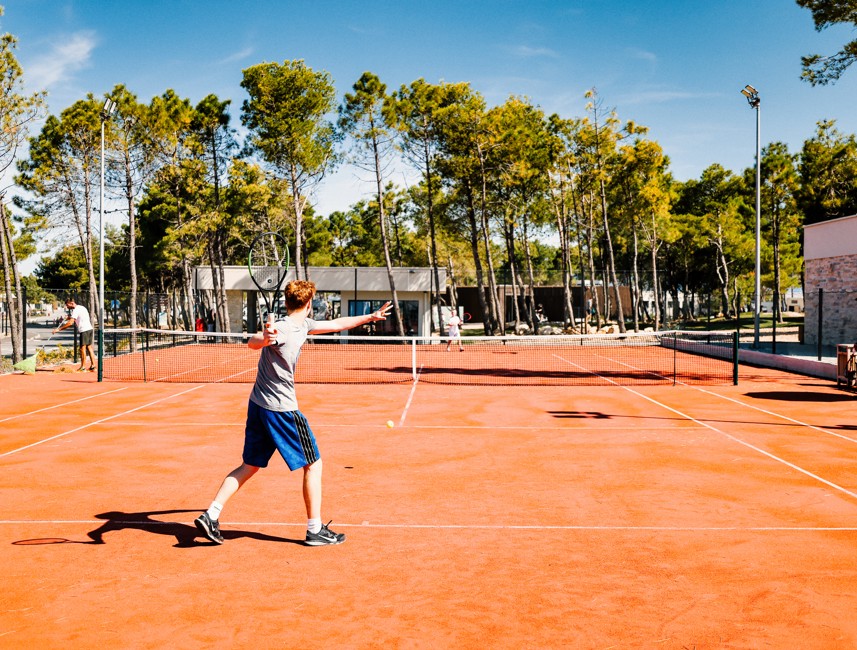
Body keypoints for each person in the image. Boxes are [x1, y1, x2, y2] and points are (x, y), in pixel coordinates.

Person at [194, 280, 392, 547]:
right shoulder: (284, 328)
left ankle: (211, 514)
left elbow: (337, 324)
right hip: (281, 409)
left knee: (250, 465)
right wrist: (265, 338)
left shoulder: (304, 325)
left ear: (288, 303)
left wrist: (370, 317)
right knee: (314, 464)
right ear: (309, 304)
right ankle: (315, 530)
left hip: (258, 405)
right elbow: (253, 343)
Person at [53, 298, 95, 372]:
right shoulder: (82, 308)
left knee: (82, 349)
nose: (67, 307)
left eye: (67, 305)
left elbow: (70, 323)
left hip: (84, 330)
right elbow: (78, 317)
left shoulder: (76, 310)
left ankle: (83, 367)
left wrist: (58, 329)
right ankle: (93, 366)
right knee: (89, 347)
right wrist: (69, 317)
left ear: (71, 303)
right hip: (89, 329)